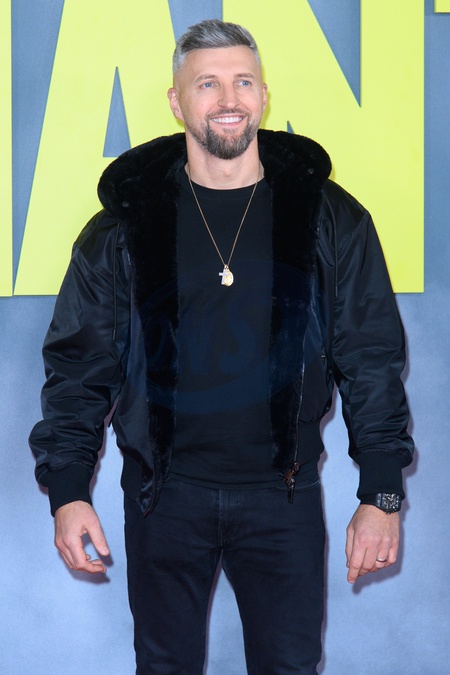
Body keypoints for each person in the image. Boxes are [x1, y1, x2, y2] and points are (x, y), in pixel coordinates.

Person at [30, 19, 414, 674]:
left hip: (283, 495)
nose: (228, 99)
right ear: (177, 102)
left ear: (263, 95)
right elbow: (78, 366)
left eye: (242, 81)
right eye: (207, 84)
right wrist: (68, 490)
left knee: (291, 667)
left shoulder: (329, 218)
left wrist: (381, 492)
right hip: (162, 497)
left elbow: (370, 356)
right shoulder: (125, 227)